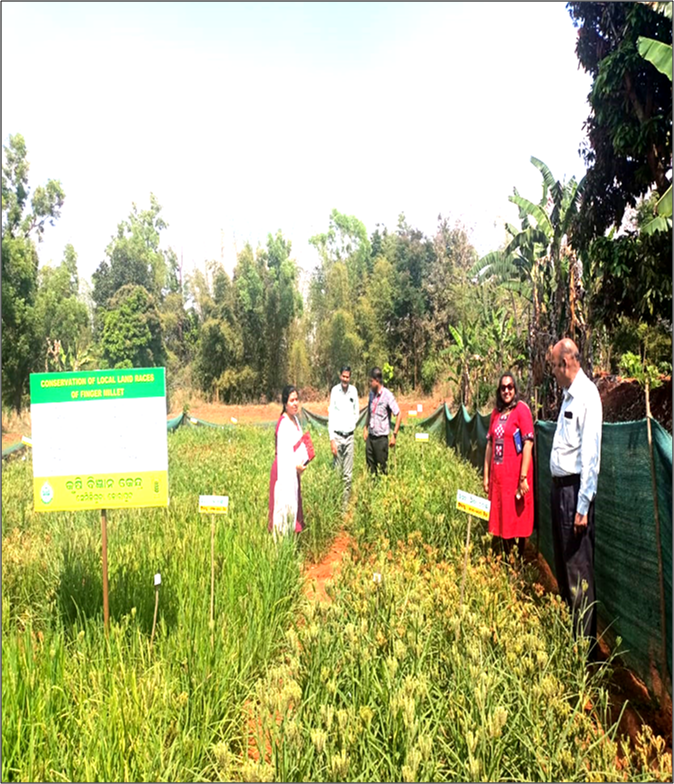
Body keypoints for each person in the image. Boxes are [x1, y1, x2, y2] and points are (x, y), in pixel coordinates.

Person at [549, 338, 603, 657]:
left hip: (574, 494)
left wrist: (582, 507)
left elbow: (590, 456)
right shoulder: (568, 396)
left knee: (578, 568)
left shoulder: (587, 396)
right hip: (560, 492)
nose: (554, 372)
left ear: (566, 363)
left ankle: (586, 650)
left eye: (555, 366)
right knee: (564, 565)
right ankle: (573, 638)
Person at [483, 372, 535, 559]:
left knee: (516, 516)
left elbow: (528, 443)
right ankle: (505, 555)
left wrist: (522, 478)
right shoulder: (496, 413)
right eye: (503, 387)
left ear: (515, 389)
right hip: (499, 477)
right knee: (502, 513)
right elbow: (490, 443)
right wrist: (486, 475)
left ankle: (517, 559)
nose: (506, 391)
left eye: (510, 387)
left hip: (515, 476)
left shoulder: (521, 410)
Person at [268, 385, 307, 538]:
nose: (295, 403)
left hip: (294, 471)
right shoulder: (283, 423)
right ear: (285, 403)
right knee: (283, 507)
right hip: (283, 472)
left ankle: (291, 546)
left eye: (297, 399)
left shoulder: (296, 420)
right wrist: (295, 465)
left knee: (294, 506)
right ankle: (281, 552)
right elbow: (285, 453)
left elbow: (299, 444)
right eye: (292, 400)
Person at [328, 366, 360, 510]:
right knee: (337, 472)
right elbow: (331, 415)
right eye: (343, 376)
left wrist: (351, 425)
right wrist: (332, 439)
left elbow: (356, 412)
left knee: (348, 474)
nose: (345, 379)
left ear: (350, 377)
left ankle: (344, 507)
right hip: (337, 437)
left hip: (349, 437)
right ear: (340, 376)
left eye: (347, 377)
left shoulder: (354, 391)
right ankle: (334, 503)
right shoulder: (335, 391)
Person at [363, 367, 401, 475]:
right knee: (370, 467)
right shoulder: (371, 394)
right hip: (371, 437)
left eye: (371, 381)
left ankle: (382, 489)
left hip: (381, 439)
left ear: (377, 381)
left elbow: (399, 414)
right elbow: (370, 412)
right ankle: (372, 489)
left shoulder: (388, 396)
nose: (370, 383)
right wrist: (366, 428)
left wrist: (394, 435)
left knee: (382, 469)